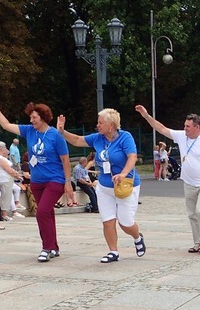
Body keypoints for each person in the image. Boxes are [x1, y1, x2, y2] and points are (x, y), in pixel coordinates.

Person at [0, 91, 74, 262]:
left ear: (44, 117)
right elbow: (5, 125)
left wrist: (68, 182)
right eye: (31, 118)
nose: (31, 121)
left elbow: (66, 161)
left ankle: (46, 248)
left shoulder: (56, 135)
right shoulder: (29, 131)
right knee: (47, 214)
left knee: (42, 212)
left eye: (35, 118)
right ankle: (53, 247)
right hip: (37, 181)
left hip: (55, 180)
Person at [57, 109, 146, 263]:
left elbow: (132, 157)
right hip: (105, 187)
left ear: (111, 125)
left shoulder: (125, 137)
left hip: (124, 185)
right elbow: (78, 140)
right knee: (108, 220)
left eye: (100, 122)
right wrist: (62, 132)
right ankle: (113, 251)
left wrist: (124, 173)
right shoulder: (98, 138)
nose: (97, 125)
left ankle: (137, 237)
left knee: (125, 222)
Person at [135, 105, 200, 254]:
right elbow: (161, 128)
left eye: (188, 126)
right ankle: (197, 243)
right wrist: (146, 116)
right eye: (184, 125)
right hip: (188, 182)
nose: (185, 128)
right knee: (192, 214)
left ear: (197, 127)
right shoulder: (182, 136)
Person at [0, 141, 23, 221]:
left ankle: (9, 212)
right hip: (5, 180)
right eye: (5, 147)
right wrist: (17, 176)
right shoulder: (1, 159)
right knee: (6, 197)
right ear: (2, 149)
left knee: (6, 196)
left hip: (1, 179)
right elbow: (8, 169)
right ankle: (4, 214)